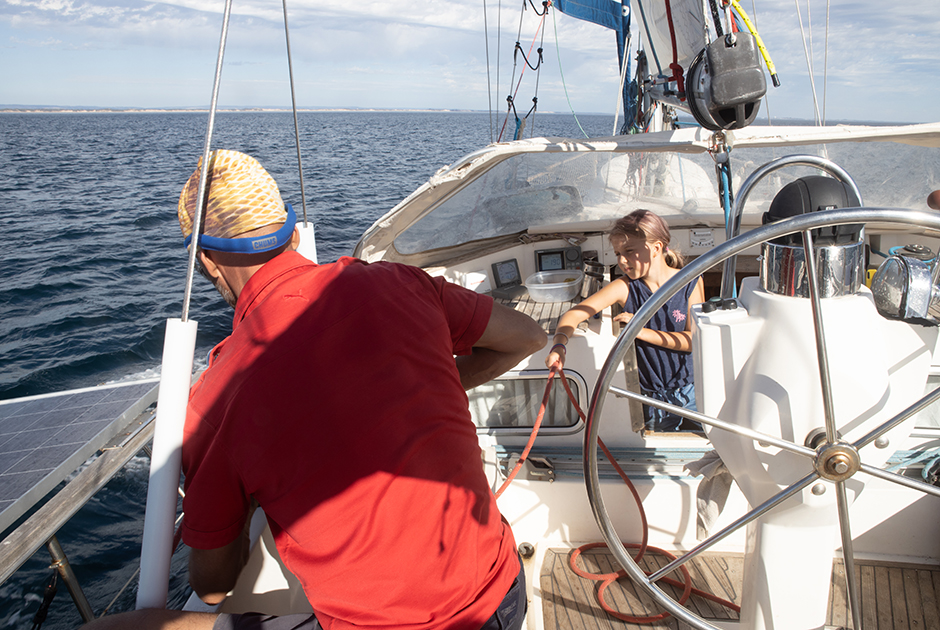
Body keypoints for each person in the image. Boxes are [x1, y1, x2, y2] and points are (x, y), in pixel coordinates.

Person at [85, 150, 545, 630]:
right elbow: (527, 337)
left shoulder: (215, 400)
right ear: (289, 230)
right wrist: (433, 374)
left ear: (206, 260)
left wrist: (243, 498)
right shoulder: (401, 283)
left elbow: (213, 587)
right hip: (503, 598)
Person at [545, 210, 705, 432]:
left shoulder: (691, 282)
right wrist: (559, 345)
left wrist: (639, 330)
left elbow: (693, 340)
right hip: (651, 399)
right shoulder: (625, 287)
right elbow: (574, 314)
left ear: (656, 248)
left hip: (693, 390)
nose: (621, 260)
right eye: (618, 253)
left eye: (629, 251)